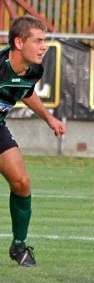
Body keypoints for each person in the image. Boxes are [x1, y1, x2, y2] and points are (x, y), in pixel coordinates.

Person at [0, 15, 66, 267]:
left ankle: (18, 247)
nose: (43, 46)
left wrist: (49, 118)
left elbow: (25, 91)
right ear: (19, 42)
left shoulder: (34, 69)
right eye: (37, 41)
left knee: (21, 182)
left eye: (44, 41)